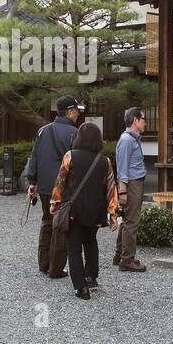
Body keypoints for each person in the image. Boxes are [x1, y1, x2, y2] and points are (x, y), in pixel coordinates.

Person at [50, 122, 119, 300]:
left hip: (75, 210)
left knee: (74, 247)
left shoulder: (70, 156)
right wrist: (113, 214)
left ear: (79, 138)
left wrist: (54, 201)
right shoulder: (105, 161)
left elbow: (60, 181)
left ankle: (81, 287)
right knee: (90, 241)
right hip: (96, 211)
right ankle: (91, 277)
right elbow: (111, 189)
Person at [24, 95, 82, 278]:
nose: (78, 114)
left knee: (47, 221)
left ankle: (43, 263)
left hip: (44, 187)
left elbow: (34, 158)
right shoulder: (74, 133)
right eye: (77, 111)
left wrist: (32, 182)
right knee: (61, 225)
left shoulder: (43, 131)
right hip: (64, 188)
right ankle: (56, 269)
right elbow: (77, 163)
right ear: (70, 112)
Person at [113, 106, 149, 272]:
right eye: (143, 119)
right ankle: (127, 259)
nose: (145, 123)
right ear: (135, 120)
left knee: (127, 219)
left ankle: (120, 255)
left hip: (135, 182)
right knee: (132, 221)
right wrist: (123, 191)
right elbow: (122, 168)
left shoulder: (132, 138)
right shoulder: (127, 140)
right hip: (132, 183)